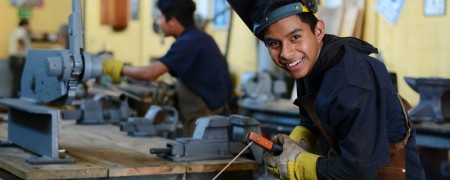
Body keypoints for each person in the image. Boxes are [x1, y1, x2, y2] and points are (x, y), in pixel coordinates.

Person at [227, 0, 425, 179]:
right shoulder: (308, 64)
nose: (286, 53)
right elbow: (311, 118)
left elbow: (359, 171)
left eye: (295, 37)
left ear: (318, 31)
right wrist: (299, 141)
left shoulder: (352, 82)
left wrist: (299, 166)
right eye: (274, 43)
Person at [103, 0, 232, 137]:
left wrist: (116, 68)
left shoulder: (188, 42)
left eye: (159, 17)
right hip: (211, 118)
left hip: (205, 123)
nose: (157, 22)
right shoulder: (199, 38)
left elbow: (150, 73)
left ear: (172, 21)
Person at [8, 19, 32, 97]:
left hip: (14, 58)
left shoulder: (16, 31)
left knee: (16, 79)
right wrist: (21, 50)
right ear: (25, 25)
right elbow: (20, 41)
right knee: (18, 79)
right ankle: (16, 97)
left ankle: (15, 96)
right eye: (29, 26)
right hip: (18, 58)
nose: (30, 28)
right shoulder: (21, 31)